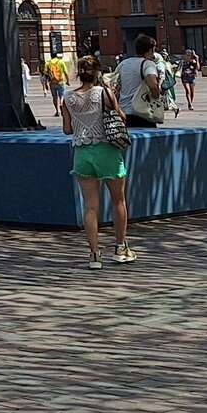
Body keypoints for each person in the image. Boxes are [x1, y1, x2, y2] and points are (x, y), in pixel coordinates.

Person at [59, 55, 135, 268]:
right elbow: (121, 117)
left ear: (79, 73)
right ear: (98, 73)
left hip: (82, 153)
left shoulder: (68, 97)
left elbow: (67, 129)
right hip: (107, 150)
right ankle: (120, 248)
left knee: (90, 206)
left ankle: (94, 255)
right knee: (118, 201)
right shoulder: (104, 93)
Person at [114, 34, 165, 127]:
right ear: (150, 49)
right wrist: (157, 96)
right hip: (142, 111)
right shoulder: (148, 64)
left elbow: (116, 85)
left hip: (124, 111)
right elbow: (153, 86)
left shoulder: (124, 63)